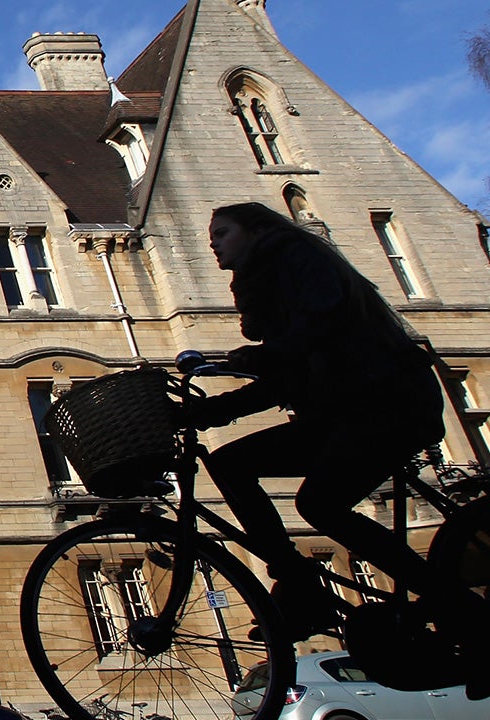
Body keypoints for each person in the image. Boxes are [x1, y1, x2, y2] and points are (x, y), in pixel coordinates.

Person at [191, 201, 473, 653]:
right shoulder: (272, 280)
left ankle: (453, 604)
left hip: (385, 403)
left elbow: (318, 334)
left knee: (317, 503)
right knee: (233, 464)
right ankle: (301, 584)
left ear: (258, 230)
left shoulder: (297, 256)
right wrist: (211, 411)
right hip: (350, 409)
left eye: (223, 232)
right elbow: (293, 372)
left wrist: (260, 364)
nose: (213, 242)